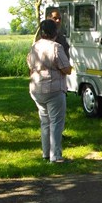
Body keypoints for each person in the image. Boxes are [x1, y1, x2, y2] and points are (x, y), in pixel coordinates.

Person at [27, 19, 72, 163]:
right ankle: (56, 156)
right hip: (54, 89)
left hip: (37, 88)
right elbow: (66, 68)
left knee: (44, 121)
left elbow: (29, 64)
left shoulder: (34, 47)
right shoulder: (56, 47)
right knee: (56, 122)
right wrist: (69, 68)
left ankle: (45, 154)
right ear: (55, 32)